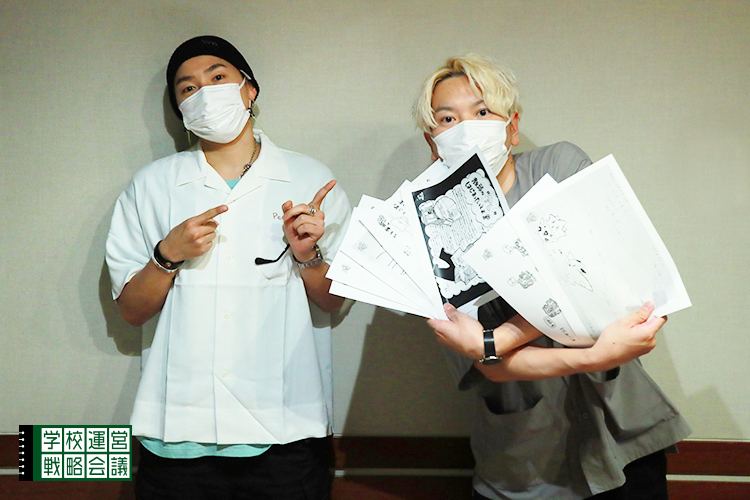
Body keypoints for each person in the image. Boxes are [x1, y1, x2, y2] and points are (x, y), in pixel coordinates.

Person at [416, 54, 691, 500]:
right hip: (526, 462)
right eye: (448, 119)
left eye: (482, 112)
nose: (466, 128)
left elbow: (595, 277)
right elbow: (486, 366)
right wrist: (593, 355)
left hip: (624, 436)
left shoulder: (558, 166)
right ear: (433, 143)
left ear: (512, 126)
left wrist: (498, 337)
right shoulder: (426, 230)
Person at [106, 35, 351, 500]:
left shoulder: (310, 179)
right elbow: (132, 311)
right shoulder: (151, 186)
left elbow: (334, 301)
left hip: (285, 434)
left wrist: (307, 254)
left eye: (218, 77)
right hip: (177, 435)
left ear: (249, 88)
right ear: (181, 110)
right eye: (188, 88)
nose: (205, 93)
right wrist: (167, 254)